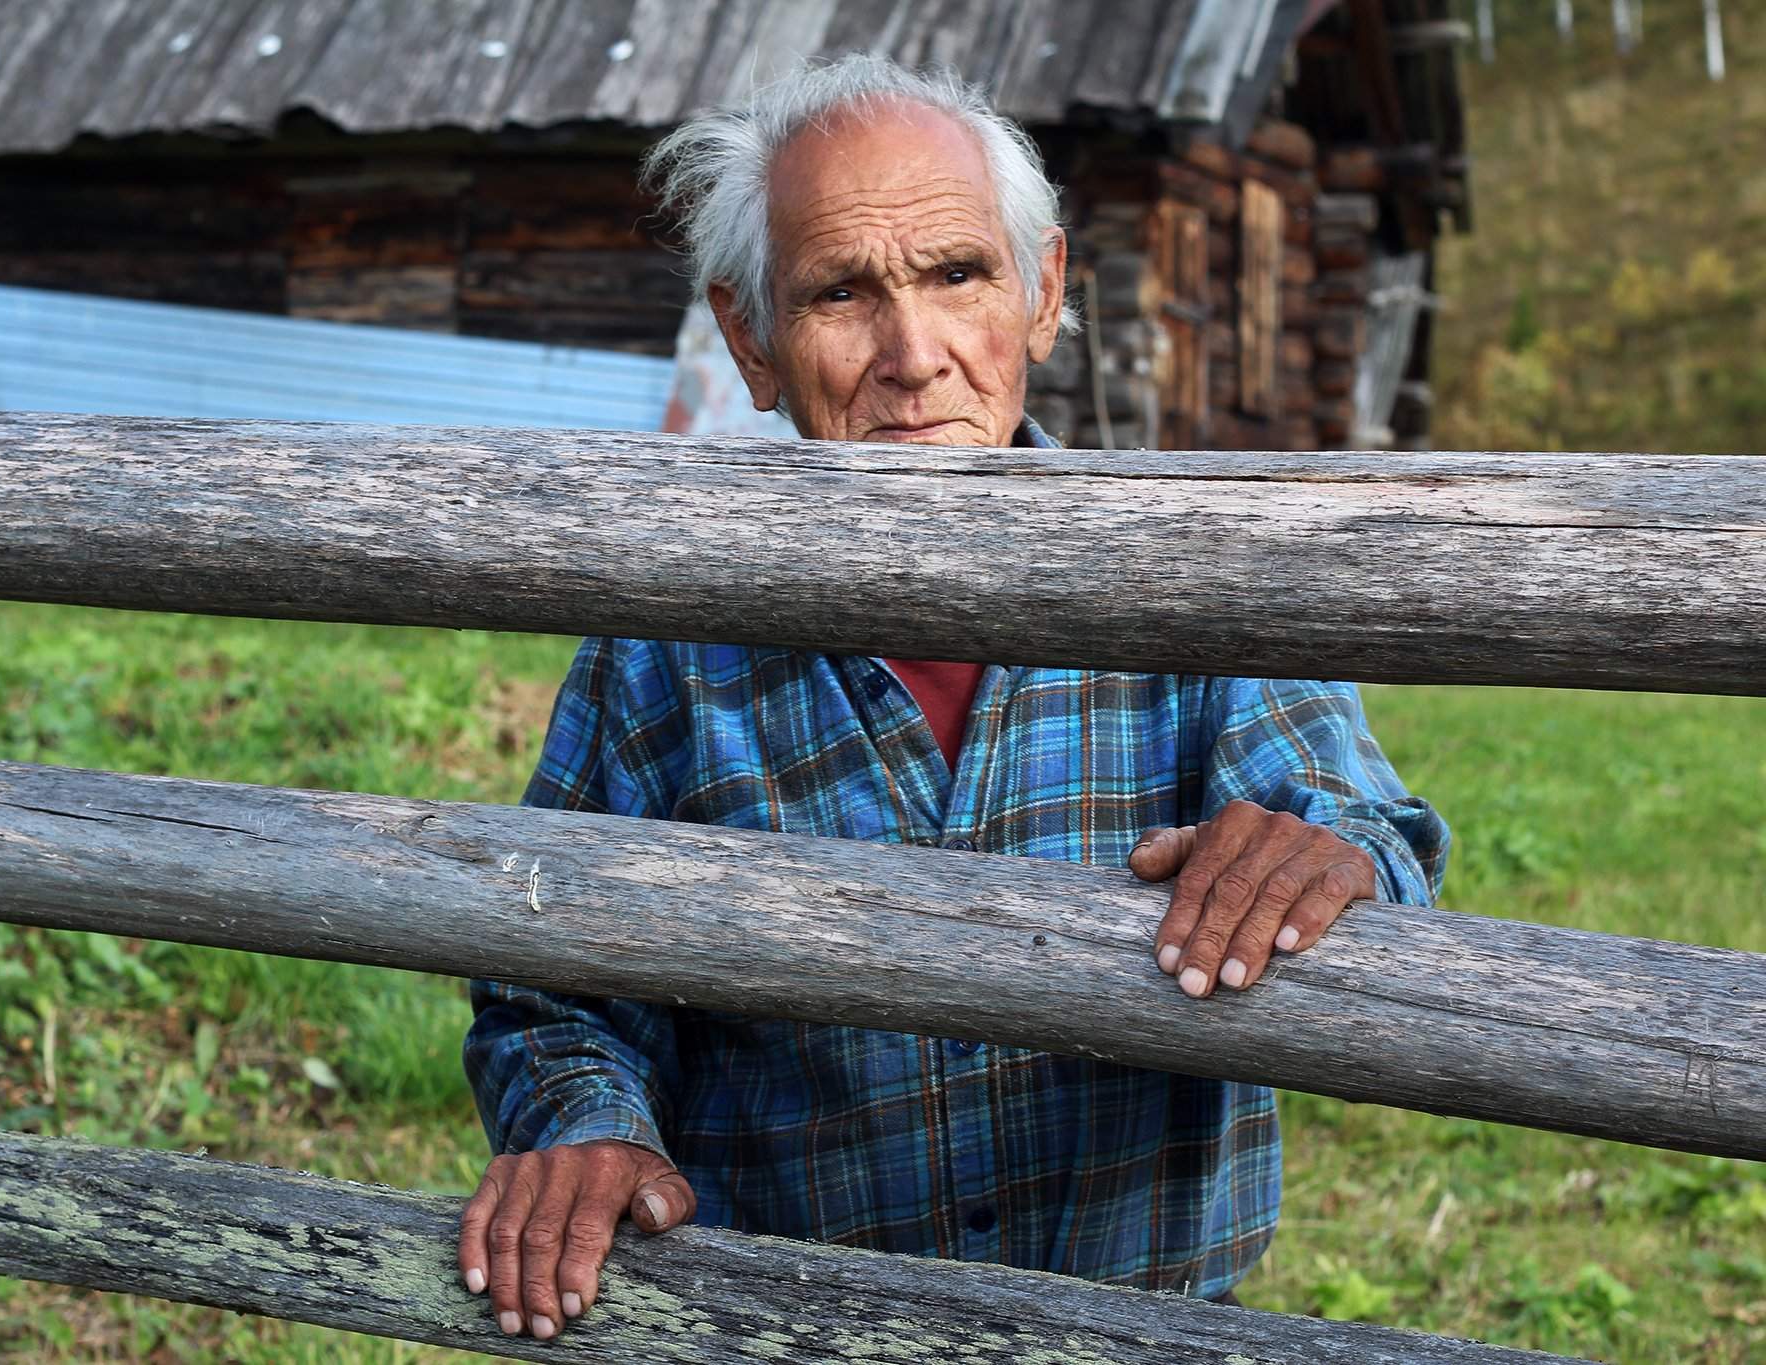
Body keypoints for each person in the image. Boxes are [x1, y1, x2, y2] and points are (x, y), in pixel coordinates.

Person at [457, 53, 1449, 1343]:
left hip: (1144, 1333)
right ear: (752, 341)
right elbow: (551, 984)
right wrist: (587, 1125)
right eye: (840, 293)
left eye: (957, 275)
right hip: (797, 1336)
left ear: (1042, 295)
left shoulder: (1186, 568)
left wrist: (1323, 857)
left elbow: (1375, 835)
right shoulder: (668, 640)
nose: (912, 357)